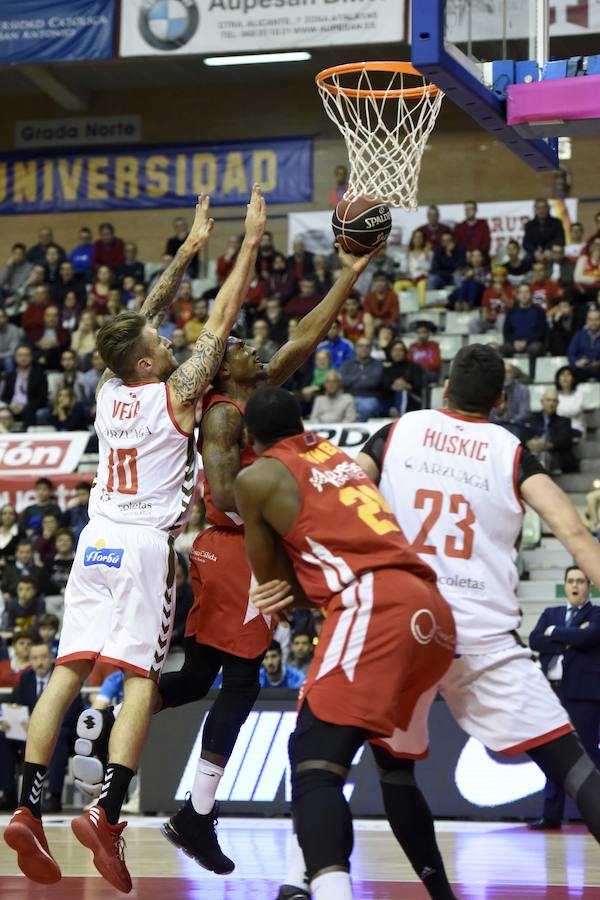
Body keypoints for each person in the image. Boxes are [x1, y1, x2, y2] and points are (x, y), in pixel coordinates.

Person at [3, 188, 262, 891]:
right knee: (143, 676)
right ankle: (107, 811)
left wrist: (187, 249)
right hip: (146, 546)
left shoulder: (108, 388)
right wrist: (246, 243)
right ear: (147, 365)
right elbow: (221, 319)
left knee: (67, 670)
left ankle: (27, 806)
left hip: (94, 542)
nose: (168, 340)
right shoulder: (177, 394)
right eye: (160, 345)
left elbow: (144, 314)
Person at [275, 342, 600, 900]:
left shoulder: (400, 431)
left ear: (444, 389)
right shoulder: (511, 450)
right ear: (501, 400)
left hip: (402, 620)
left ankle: (340, 880)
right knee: (574, 768)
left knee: (386, 769)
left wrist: (287, 571)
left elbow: (337, 497)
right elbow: (572, 532)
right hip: (480, 632)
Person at [150, 244, 378, 873]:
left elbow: (304, 338)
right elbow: (226, 497)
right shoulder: (225, 417)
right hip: (235, 552)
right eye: (241, 346)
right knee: (244, 684)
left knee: (197, 679)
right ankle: (196, 814)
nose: (253, 346)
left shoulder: (255, 391)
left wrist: (350, 273)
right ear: (224, 371)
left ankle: (117, 716)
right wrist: (288, 521)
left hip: (228, 552)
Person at [235, 386, 456, 900]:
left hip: (374, 605)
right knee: (393, 770)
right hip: (431, 611)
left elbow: (273, 584)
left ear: (249, 436)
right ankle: (304, 883)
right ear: (300, 424)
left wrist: (286, 588)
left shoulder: (258, 476)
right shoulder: (335, 456)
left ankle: (326, 890)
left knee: (314, 762)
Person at [529, 567, 600, 829]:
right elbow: (535, 641)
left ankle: (592, 815)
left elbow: (589, 637)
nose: (575, 586)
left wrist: (554, 633)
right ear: (564, 585)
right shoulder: (551, 613)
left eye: (580, 581)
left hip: (583, 694)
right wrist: (570, 637)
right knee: (553, 754)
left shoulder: (597, 614)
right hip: (551, 692)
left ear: (589, 586)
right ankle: (551, 815)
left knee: (588, 753)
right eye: (570, 581)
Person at [0, 641, 84, 813]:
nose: (40, 662)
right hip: (28, 733)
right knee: (2, 736)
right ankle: (8, 793)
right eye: (35, 658)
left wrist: (40, 723)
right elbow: (17, 705)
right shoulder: (26, 678)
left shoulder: (64, 676)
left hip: (61, 732)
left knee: (59, 734)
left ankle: (54, 796)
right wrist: (9, 719)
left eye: (43, 657)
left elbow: (71, 713)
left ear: (51, 658)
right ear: (30, 660)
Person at [523, 388, 578, 473]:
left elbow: (563, 439)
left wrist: (547, 445)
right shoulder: (531, 419)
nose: (551, 404)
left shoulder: (564, 421)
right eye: (548, 400)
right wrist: (531, 442)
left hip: (556, 456)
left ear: (558, 403)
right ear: (542, 402)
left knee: (545, 455)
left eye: (554, 401)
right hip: (534, 453)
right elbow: (525, 436)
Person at [502, 283, 548, 376]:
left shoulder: (539, 311)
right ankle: (506, 377)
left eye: (527, 292)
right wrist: (514, 342)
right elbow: (506, 331)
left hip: (532, 343)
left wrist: (526, 341)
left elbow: (541, 332)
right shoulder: (511, 312)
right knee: (503, 349)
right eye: (521, 292)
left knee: (535, 348)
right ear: (517, 295)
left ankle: (531, 377)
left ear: (531, 294)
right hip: (514, 343)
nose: (524, 295)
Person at [1, 345, 48, 427]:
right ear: (15, 358)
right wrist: (10, 404)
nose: (23, 358)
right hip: (13, 406)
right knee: (3, 412)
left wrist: (25, 406)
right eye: (20, 355)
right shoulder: (10, 376)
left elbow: (42, 397)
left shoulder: (40, 375)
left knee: (29, 410)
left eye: (26, 355)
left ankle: (27, 434)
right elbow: (5, 397)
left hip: (30, 407)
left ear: (31, 357)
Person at [339, 337, 383, 420]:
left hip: (368, 398)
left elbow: (373, 382)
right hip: (348, 397)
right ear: (356, 348)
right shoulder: (346, 364)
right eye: (361, 346)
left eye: (367, 346)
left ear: (371, 349)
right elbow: (342, 381)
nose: (364, 348)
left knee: (366, 407)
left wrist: (352, 378)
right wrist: (362, 376)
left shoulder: (377, 364)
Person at [381, 339, 426, 417]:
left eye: (400, 350)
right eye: (394, 350)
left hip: (412, 398)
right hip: (391, 398)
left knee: (402, 392)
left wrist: (406, 386)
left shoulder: (414, 367)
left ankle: (401, 416)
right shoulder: (387, 369)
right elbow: (384, 385)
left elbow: (419, 384)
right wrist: (393, 386)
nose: (397, 353)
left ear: (405, 352)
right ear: (390, 352)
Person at [469, 266, 513, 335]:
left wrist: (502, 292)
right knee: (473, 322)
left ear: (505, 278)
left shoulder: (510, 289)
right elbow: (485, 308)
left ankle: (501, 341)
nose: (499, 278)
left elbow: (512, 306)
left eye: (502, 276)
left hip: (505, 321)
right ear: (493, 278)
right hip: (490, 320)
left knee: (501, 318)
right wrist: (485, 316)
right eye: (496, 276)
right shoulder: (488, 291)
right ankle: (477, 341)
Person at [491, 362, 530, 436]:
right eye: (503, 373)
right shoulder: (493, 389)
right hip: (496, 427)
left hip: (515, 428)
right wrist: (499, 417)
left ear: (513, 374)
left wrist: (509, 419)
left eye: (508, 372)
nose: (505, 375)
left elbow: (524, 413)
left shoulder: (523, 390)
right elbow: (490, 413)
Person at [568, 307, 600, 380]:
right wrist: (576, 362)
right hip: (582, 369)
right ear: (586, 321)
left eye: (597, 319)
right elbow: (571, 353)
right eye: (590, 319)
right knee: (570, 371)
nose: (593, 322)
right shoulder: (579, 335)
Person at [555, 365, 585, 435]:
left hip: (575, 428)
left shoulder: (579, 394)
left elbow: (575, 411)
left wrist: (558, 411)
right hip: (557, 429)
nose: (565, 377)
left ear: (573, 379)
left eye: (568, 374)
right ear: (558, 379)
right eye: (562, 374)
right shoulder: (554, 394)